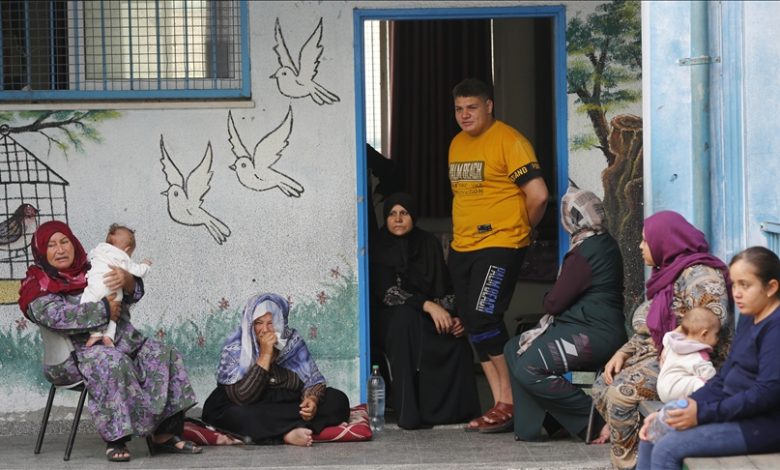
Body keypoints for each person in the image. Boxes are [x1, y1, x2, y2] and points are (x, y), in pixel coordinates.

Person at [19, 221, 200, 462]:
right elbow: (56, 316)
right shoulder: (37, 285)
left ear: (73, 243)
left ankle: (164, 435)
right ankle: (116, 440)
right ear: (42, 251)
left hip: (120, 341)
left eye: (64, 242)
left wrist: (128, 281)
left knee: (163, 354)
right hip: (73, 355)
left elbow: (128, 295)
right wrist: (104, 309)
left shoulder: (92, 267)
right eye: (51, 245)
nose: (60, 249)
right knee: (112, 362)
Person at [590, 210, 732, 469]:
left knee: (621, 393)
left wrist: (674, 343)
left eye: (646, 240)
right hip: (660, 353)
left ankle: (630, 463)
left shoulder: (701, 275)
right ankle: (635, 452)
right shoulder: (668, 273)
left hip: (690, 362)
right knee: (601, 385)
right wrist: (623, 352)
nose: (640, 245)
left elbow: (712, 321)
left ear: (664, 241)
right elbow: (650, 329)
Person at [447, 78, 549, 433]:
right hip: (462, 247)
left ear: (489, 106)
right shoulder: (457, 143)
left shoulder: (510, 141)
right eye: (459, 109)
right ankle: (500, 403)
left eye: (472, 107)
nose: (465, 115)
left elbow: (538, 194)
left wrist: (523, 228)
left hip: (500, 243)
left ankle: (513, 400)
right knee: (472, 323)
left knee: (484, 317)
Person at [636, 246, 780, 469]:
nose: (737, 293)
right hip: (732, 411)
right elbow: (723, 378)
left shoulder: (775, 328)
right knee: (654, 432)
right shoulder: (749, 317)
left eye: (745, 285)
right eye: (734, 284)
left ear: (771, 287)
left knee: (667, 447)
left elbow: (766, 393)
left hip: (763, 425)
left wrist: (703, 413)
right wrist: (682, 407)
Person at [503, 185, 626, 441]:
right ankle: (550, 423)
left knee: (529, 368)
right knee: (513, 348)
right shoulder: (602, 242)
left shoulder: (587, 249)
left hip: (593, 335)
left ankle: (594, 423)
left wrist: (548, 298)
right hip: (589, 328)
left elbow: (555, 303)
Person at [370, 192, 480, 429]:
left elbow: (445, 287)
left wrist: (455, 316)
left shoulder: (428, 243)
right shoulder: (377, 245)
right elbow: (387, 292)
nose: (398, 219)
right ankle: (409, 413)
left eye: (404, 213)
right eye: (392, 214)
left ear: (414, 216)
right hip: (390, 317)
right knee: (405, 319)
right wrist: (428, 306)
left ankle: (451, 414)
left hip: (426, 315)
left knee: (457, 344)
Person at [202, 293, 350, 447]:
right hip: (248, 404)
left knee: (337, 400)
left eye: (271, 323)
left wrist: (312, 399)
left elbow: (313, 381)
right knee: (237, 416)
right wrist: (265, 354)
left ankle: (282, 430)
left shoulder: (292, 341)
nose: (265, 330)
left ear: (280, 323)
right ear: (250, 324)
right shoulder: (236, 346)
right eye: (258, 323)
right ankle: (286, 434)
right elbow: (242, 398)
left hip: (284, 403)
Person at [82, 224, 152, 347]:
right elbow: (138, 271)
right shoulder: (122, 257)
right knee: (114, 311)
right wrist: (145, 265)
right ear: (127, 249)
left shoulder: (98, 249)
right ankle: (109, 336)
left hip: (94, 287)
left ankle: (95, 333)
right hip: (112, 287)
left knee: (86, 303)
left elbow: (88, 258)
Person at [656, 307, 719, 402]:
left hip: (662, 387)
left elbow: (668, 336)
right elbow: (709, 375)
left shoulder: (673, 343)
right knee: (701, 383)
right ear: (704, 334)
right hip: (674, 389)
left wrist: (685, 326)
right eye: (716, 335)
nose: (718, 339)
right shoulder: (697, 354)